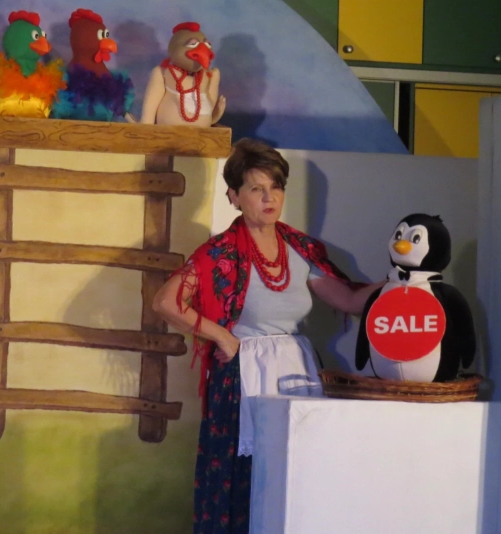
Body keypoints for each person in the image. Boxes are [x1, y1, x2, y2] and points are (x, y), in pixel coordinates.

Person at [152, 138, 384, 533]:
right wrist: (223, 337)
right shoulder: (219, 252)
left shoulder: (300, 249)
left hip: (297, 371)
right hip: (242, 378)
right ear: (234, 196)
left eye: (275, 187)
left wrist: (402, 281)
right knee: (242, 477)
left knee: (297, 474)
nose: (269, 197)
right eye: (256, 188)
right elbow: (165, 301)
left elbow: (348, 300)